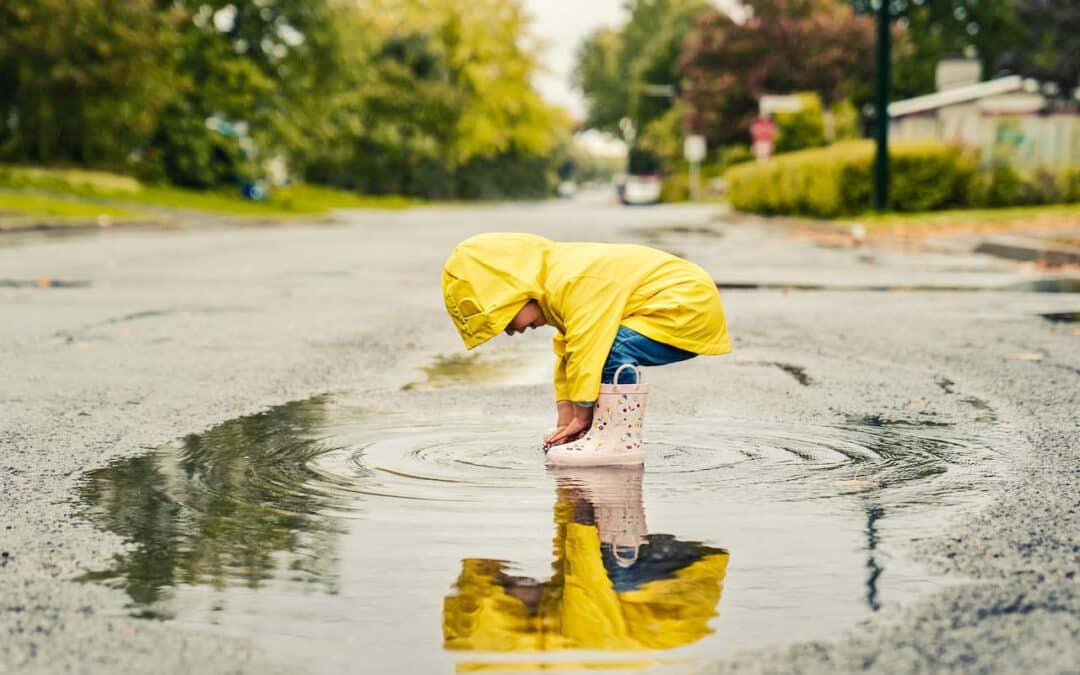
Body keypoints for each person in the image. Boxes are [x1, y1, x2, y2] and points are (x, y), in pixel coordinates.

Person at [442, 232, 730, 465]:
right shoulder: (553, 285)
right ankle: (602, 432)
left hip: (685, 305)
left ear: (513, 291)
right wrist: (566, 418)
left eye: (503, 319)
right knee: (591, 348)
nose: (509, 330)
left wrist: (583, 416)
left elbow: (587, 348)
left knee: (607, 348)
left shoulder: (569, 280)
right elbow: (568, 351)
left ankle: (617, 439)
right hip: (674, 304)